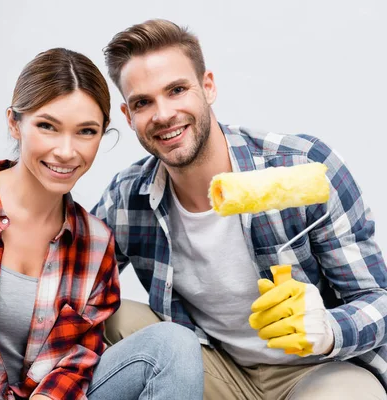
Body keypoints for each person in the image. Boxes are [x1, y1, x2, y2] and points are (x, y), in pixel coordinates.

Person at [0, 47, 204, 400]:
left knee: (173, 344)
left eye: (85, 132)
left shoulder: (95, 242)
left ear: (102, 135)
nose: (66, 151)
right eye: (47, 126)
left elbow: (77, 363)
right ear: (14, 123)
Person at [93, 19, 387, 399]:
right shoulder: (128, 197)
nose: (163, 114)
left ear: (208, 86)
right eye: (143, 102)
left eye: (177, 90)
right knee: (113, 314)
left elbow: (379, 297)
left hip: (315, 371)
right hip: (213, 367)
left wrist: (330, 329)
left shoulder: (302, 164)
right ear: (128, 115)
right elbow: (71, 281)